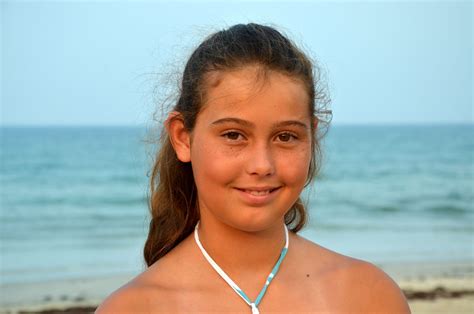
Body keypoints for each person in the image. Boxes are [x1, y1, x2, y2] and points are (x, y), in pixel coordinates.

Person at [96, 23, 411, 313]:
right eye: (234, 135)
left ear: (312, 136)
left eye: (285, 136)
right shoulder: (133, 308)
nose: (262, 165)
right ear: (183, 137)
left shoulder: (368, 296)